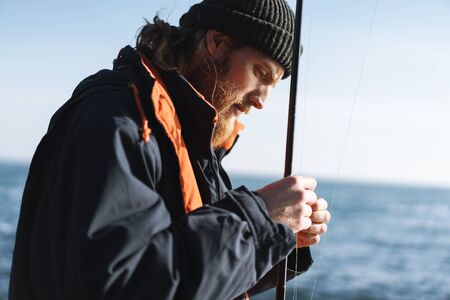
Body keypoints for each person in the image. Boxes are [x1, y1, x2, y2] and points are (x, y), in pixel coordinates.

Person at [9, 0, 331, 299]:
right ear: (218, 43)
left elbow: (192, 273)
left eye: (272, 87)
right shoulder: (117, 120)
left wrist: (278, 237)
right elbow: (124, 283)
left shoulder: (192, 141)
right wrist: (257, 222)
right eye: (261, 74)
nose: (261, 101)